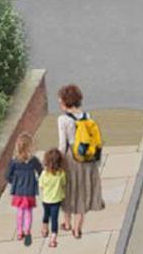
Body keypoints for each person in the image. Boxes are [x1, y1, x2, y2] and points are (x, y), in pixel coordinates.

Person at [56, 84, 104, 239]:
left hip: (71, 159)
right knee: (82, 192)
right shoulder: (87, 116)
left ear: (65, 102)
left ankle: (66, 222)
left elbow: (63, 145)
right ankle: (77, 229)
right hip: (86, 160)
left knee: (69, 189)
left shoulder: (62, 120)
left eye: (60, 100)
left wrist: (57, 162)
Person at [6, 131, 42, 245]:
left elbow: (7, 176)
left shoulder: (14, 162)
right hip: (29, 190)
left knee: (20, 211)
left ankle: (19, 231)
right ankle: (27, 230)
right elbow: (41, 171)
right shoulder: (33, 160)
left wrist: (15, 182)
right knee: (28, 212)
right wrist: (37, 181)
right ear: (30, 147)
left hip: (19, 191)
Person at [39, 148, 66, 248]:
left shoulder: (44, 174)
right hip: (56, 201)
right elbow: (63, 184)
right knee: (54, 219)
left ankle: (44, 229)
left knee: (46, 215)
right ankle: (53, 238)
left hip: (46, 200)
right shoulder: (61, 174)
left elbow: (41, 185)